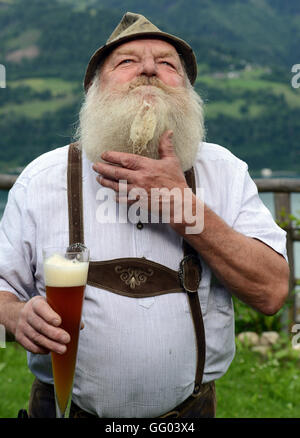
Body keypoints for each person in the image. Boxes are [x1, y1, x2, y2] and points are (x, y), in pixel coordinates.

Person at [0, 12, 289, 418]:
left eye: (168, 64)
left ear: (189, 94)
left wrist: (185, 209)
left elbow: (272, 291)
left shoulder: (223, 172)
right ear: (95, 89)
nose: (150, 69)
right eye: (127, 62)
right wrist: (15, 315)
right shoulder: (41, 179)